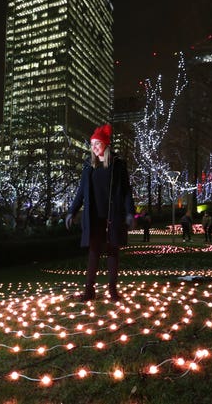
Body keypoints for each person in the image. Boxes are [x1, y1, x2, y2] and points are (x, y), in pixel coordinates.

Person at [66, 124, 136, 302]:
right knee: (94, 253)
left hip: (113, 216)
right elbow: (81, 193)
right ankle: (89, 291)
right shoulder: (89, 167)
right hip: (94, 217)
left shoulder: (118, 165)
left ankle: (113, 290)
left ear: (105, 144)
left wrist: (130, 213)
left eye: (97, 143)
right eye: (92, 144)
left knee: (113, 252)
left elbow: (126, 191)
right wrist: (71, 212)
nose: (94, 147)